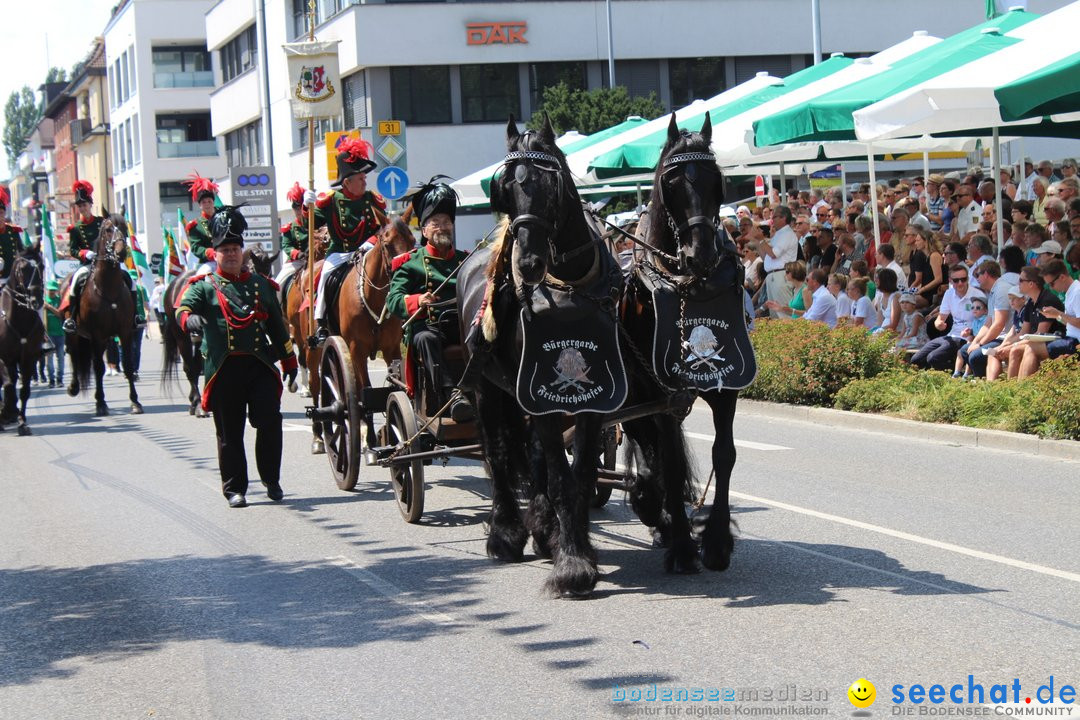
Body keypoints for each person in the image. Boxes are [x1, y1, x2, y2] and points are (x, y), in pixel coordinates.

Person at [176, 205, 298, 508]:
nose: (230, 254)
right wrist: (188, 319)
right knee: (229, 433)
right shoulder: (204, 287)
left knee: (270, 421)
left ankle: (271, 479)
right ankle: (235, 488)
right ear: (215, 254)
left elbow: (278, 328)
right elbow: (182, 307)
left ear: (242, 252)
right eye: (225, 250)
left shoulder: (261, 286)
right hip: (224, 369)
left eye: (235, 249)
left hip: (259, 366)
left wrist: (290, 361)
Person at [387, 177, 472, 421]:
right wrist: (417, 300)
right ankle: (451, 396)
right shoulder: (409, 264)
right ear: (424, 230)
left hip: (464, 326)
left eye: (446, 222)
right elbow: (393, 300)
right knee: (424, 337)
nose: (442, 227)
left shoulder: (466, 260)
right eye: (435, 223)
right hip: (432, 327)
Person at [308, 138, 386, 346]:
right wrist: (309, 206)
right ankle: (321, 323)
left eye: (364, 177)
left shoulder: (372, 199)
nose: (364, 182)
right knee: (325, 276)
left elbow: (383, 230)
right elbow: (312, 222)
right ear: (347, 182)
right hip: (340, 253)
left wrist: (370, 242)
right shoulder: (331, 200)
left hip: (368, 251)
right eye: (360, 178)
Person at [1011, 259, 1080, 378]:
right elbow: (1070, 322)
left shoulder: (1077, 292)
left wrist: (1059, 313)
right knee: (1027, 348)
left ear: (1062, 277)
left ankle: (1021, 389)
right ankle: (1018, 388)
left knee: (1030, 348)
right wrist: (1056, 316)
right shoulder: (1070, 292)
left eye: (1052, 284)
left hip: (1075, 342)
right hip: (1070, 338)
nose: (1051, 288)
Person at [909, 265, 985, 371]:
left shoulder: (978, 295)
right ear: (950, 281)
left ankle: (955, 374)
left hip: (967, 338)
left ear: (967, 279)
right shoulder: (949, 293)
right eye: (956, 280)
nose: (960, 283)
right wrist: (939, 324)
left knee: (933, 358)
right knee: (916, 359)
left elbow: (985, 322)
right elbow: (940, 319)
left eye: (963, 279)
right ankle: (933, 377)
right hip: (951, 335)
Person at [758, 205, 798, 316]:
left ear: (783, 218)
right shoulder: (778, 234)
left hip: (781, 275)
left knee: (784, 316)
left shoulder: (787, 234)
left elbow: (773, 254)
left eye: (774, 216)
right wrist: (757, 240)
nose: (772, 219)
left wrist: (761, 240)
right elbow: (766, 256)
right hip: (774, 276)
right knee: (775, 315)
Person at [182, 173, 221, 275]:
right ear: (200, 205)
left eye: (209, 201)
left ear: (213, 202)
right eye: (204, 202)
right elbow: (196, 247)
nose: (207, 204)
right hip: (210, 262)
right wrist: (209, 253)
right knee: (202, 276)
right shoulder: (195, 225)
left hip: (228, 258)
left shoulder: (224, 218)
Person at [275, 181, 311, 286]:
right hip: (296, 263)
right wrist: (298, 254)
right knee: (277, 285)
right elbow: (286, 246)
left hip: (316, 261)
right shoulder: (289, 228)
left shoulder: (317, 224)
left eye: (301, 208)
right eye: (296, 209)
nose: (299, 211)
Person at [42, 281, 65, 387]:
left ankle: (59, 379)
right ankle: (51, 380)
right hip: (48, 335)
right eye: (50, 289)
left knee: (60, 358)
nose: (51, 291)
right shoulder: (43, 301)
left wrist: (49, 307)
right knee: (49, 360)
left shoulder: (59, 300)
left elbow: (61, 314)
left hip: (60, 333)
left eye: (53, 289)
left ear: (56, 290)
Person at [0, 186, 23, 285]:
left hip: (13, 276)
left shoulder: (13, 230)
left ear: (4, 213)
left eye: (1, 213)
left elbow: (22, 251)